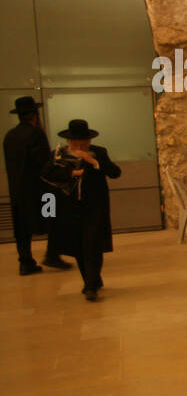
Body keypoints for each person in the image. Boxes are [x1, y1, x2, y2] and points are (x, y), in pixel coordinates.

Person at [41, 119, 121, 301]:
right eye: (76, 144)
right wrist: (71, 174)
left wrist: (93, 161)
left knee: (93, 244)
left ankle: (90, 286)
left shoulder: (99, 153)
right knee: (79, 246)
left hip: (95, 206)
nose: (80, 147)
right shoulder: (59, 155)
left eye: (84, 144)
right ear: (69, 142)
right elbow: (46, 173)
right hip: (70, 208)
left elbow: (115, 172)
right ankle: (90, 280)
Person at [3, 96, 72, 275]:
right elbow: (43, 163)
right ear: (34, 115)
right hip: (41, 191)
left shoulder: (10, 136)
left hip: (18, 190)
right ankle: (53, 254)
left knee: (22, 226)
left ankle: (25, 261)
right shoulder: (36, 134)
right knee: (54, 218)